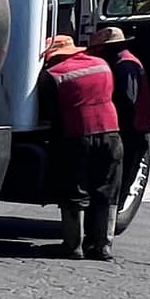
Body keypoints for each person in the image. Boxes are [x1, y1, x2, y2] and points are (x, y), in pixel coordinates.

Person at [36, 34, 123, 260]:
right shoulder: (102, 65)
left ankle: (73, 245)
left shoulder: (52, 75)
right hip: (111, 132)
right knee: (107, 189)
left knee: (75, 189)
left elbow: (48, 111)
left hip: (76, 135)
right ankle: (103, 246)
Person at [90, 25, 150, 204]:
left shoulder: (124, 65)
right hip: (134, 127)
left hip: (132, 129)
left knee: (121, 177)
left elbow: (127, 100)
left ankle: (110, 217)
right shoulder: (124, 61)